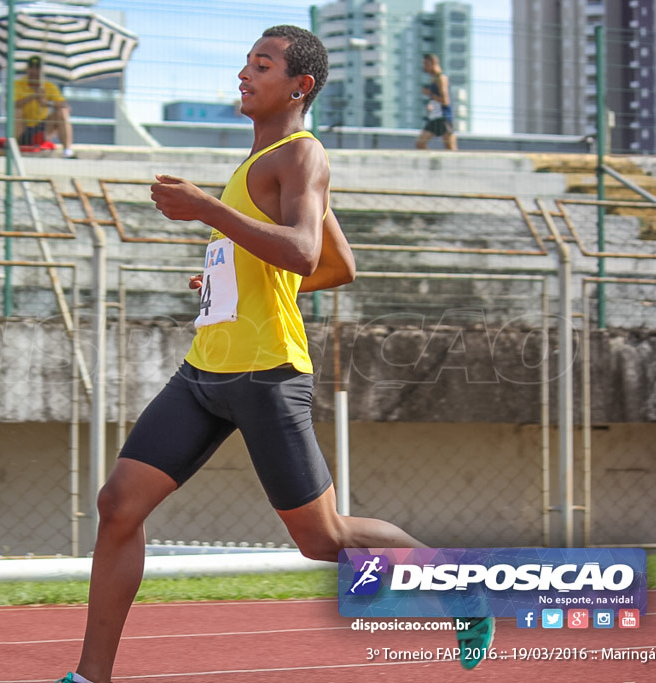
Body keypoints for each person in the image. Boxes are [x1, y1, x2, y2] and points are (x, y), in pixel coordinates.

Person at [56, 25, 492, 683]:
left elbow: (302, 252)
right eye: (245, 61)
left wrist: (207, 209)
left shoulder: (303, 155)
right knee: (118, 503)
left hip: (266, 372)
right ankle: (90, 676)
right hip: (205, 368)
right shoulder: (258, 160)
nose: (244, 72)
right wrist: (227, 278)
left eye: (261, 64)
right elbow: (337, 264)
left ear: (299, 85)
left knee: (323, 539)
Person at [14, 55, 75, 158]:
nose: (34, 72)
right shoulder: (17, 84)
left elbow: (65, 105)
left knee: (61, 112)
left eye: (37, 68)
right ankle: (13, 145)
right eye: (32, 68)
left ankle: (67, 150)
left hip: (42, 128)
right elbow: (14, 104)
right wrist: (33, 96)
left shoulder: (48, 86)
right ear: (27, 70)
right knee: (17, 112)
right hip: (23, 128)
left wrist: (47, 103)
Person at [416, 53, 457, 151]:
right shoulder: (433, 79)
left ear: (433, 63)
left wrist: (430, 93)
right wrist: (430, 105)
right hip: (435, 117)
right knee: (420, 144)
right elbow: (435, 99)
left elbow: (445, 101)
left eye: (426, 64)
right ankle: (434, 163)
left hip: (444, 117)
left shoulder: (441, 79)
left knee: (450, 148)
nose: (424, 67)